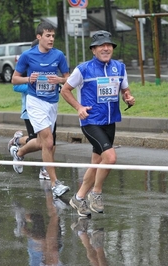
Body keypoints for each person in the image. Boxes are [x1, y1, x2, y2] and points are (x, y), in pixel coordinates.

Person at [60, 30, 135, 216]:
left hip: (110, 121)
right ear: (93, 50)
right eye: (101, 46)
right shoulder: (83, 69)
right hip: (91, 121)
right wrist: (79, 107)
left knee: (96, 163)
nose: (106, 48)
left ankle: (78, 198)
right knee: (110, 158)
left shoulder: (119, 67)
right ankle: (97, 193)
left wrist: (128, 98)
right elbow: (65, 90)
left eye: (109, 45)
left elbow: (125, 90)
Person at [11, 21, 70, 197]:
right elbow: (14, 79)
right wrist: (29, 79)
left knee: (43, 142)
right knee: (49, 143)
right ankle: (54, 184)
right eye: (47, 35)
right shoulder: (27, 56)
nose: (51, 39)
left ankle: (19, 151)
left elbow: (68, 78)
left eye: (53, 36)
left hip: (52, 102)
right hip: (35, 102)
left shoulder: (59, 55)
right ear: (39, 37)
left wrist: (58, 80)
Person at [8, 39, 57, 180]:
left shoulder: (50, 64)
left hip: (48, 106)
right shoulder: (27, 64)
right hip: (30, 109)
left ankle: (45, 169)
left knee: (51, 141)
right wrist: (32, 85)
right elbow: (15, 85)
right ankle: (18, 146)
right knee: (36, 140)